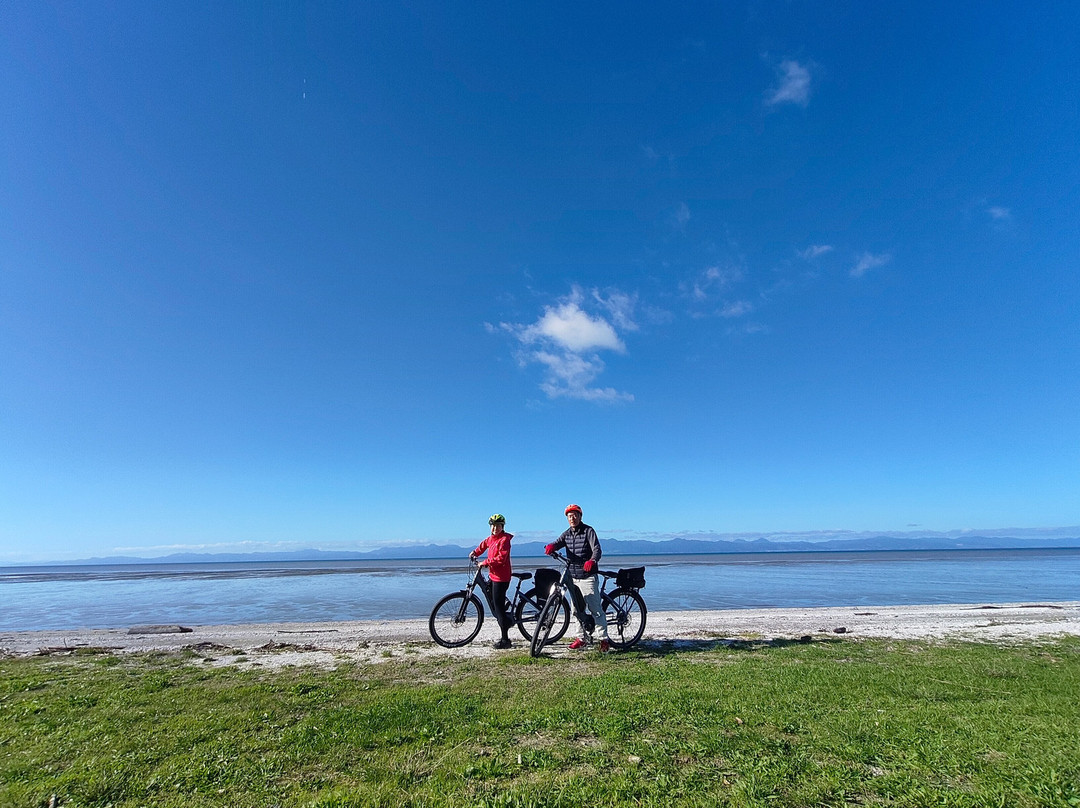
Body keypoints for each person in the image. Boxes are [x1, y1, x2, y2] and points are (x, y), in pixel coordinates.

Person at [545, 503, 610, 652]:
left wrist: (592, 561)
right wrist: (551, 547)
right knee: (576, 610)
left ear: (580, 516)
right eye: (569, 516)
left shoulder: (588, 531)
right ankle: (582, 639)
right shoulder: (567, 534)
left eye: (575, 515)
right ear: (567, 518)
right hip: (573, 577)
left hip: (587, 576)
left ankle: (604, 640)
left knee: (595, 609)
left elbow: (597, 550)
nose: (572, 518)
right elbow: (558, 543)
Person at [470, 513, 514, 649]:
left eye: (498, 526)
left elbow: (501, 558)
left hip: (502, 578)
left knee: (498, 608)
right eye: (493, 526)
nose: (495, 528)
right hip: (493, 576)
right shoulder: (491, 539)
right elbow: (483, 546)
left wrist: (486, 562)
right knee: (493, 598)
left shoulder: (504, 540)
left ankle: (505, 640)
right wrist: (475, 553)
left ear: (502, 527)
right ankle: (505, 608)